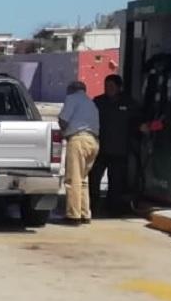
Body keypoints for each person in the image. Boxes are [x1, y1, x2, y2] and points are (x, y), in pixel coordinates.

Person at [90, 74, 141, 216]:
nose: (108, 89)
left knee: (116, 182)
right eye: (106, 86)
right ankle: (92, 206)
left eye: (111, 86)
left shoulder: (129, 103)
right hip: (100, 149)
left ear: (119, 87)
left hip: (119, 150)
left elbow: (137, 122)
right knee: (94, 179)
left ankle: (113, 208)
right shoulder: (98, 102)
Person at [58, 81, 100, 225]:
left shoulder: (72, 98)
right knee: (83, 179)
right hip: (93, 142)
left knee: (73, 179)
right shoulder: (91, 103)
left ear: (71, 90)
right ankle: (85, 213)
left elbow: (63, 119)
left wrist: (63, 131)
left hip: (78, 140)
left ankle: (73, 215)